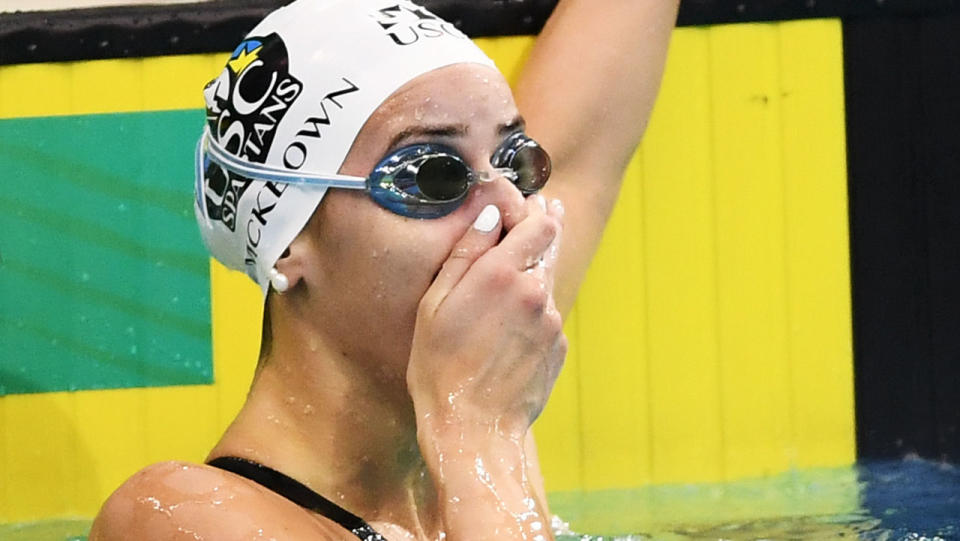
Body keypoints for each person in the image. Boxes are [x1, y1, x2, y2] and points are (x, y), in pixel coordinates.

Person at [89, 0, 678, 539]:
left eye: (513, 161)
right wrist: (477, 436)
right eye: (432, 176)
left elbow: (582, 154)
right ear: (290, 239)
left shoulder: (474, 381)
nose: (509, 210)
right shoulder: (175, 518)